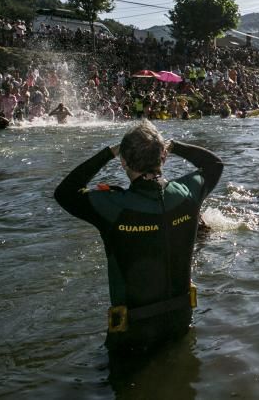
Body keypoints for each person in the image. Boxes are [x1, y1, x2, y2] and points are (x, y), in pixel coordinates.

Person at [54, 121, 224, 355]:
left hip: (132, 331)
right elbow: (214, 164)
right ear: (163, 157)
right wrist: (174, 146)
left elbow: (64, 192)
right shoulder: (188, 193)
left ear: (123, 161)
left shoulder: (112, 205)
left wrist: (108, 153)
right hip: (181, 321)